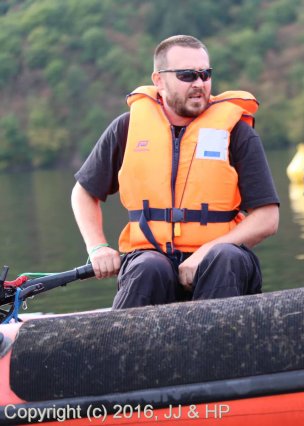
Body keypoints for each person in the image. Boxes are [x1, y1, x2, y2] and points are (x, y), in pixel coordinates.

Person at [71, 35, 279, 308]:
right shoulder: (127, 128)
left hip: (222, 265)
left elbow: (267, 218)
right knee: (148, 267)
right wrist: (97, 247)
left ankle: (222, 347)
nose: (199, 84)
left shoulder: (237, 132)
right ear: (159, 80)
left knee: (225, 257)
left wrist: (206, 251)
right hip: (150, 259)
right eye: (187, 75)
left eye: (205, 75)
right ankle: (121, 346)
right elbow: (83, 193)